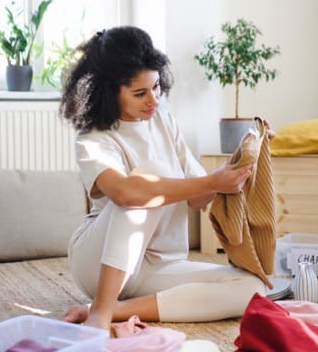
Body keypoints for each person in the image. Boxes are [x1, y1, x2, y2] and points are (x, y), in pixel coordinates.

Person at [58, 26, 268, 332]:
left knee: (252, 288)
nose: (153, 100)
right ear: (109, 92)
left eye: (156, 87)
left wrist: (239, 161)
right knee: (149, 178)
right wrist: (212, 182)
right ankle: (101, 310)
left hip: (160, 265)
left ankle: (115, 310)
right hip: (99, 265)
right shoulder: (93, 139)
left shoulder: (165, 121)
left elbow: (198, 197)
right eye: (140, 93)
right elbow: (126, 193)